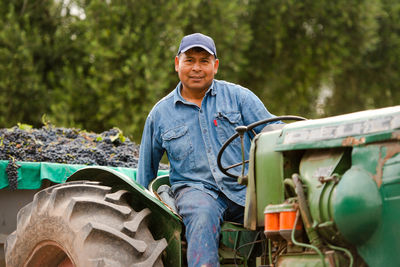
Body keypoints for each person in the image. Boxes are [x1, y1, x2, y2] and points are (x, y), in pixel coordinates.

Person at [137, 33, 276, 267]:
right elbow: (145, 175)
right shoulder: (160, 115)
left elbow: (273, 130)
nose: (196, 68)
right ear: (177, 63)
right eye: (189, 60)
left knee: (285, 211)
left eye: (204, 61)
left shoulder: (239, 98)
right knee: (202, 214)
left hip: (243, 188)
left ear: (216, 65)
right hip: (196, 191)